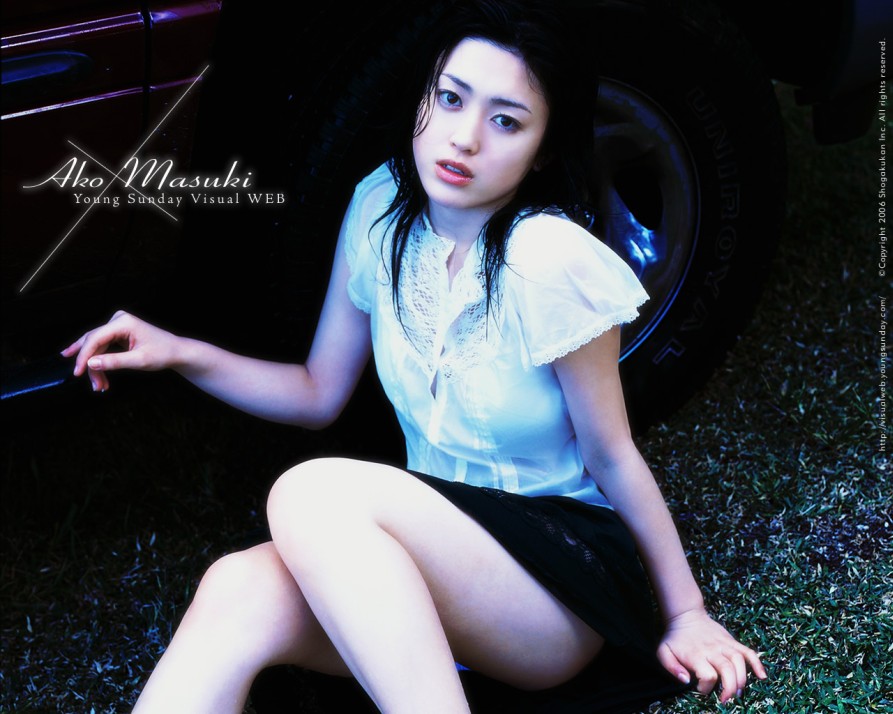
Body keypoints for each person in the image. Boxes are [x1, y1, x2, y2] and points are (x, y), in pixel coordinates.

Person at [63, 1, 767, 712]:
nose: (463, 138)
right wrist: (180, 352)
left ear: (544, 150)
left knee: (310, 491)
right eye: (450, 99)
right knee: (236, 586)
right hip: (435, 556)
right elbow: (316, 392)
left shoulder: (550, 260)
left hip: (554, 577)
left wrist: (686, 613)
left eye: (506, 121)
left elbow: (611, 453)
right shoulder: (379, 209)